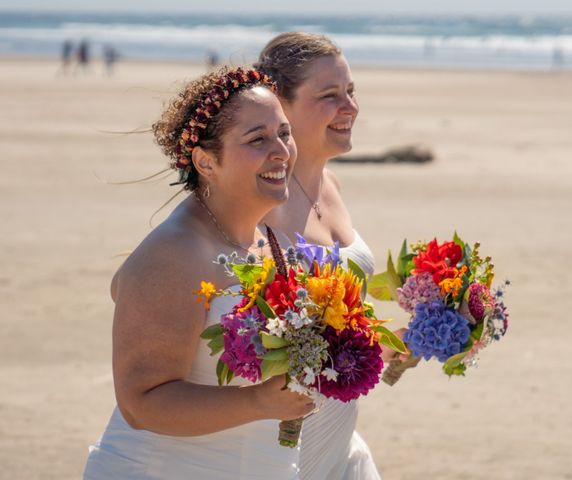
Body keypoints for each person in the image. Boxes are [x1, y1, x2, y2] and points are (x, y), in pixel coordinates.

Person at [83, 67, 314, 479]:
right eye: (257, 139)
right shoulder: (174, 253)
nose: (281, 150)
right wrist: (258, 403)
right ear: (206, 162)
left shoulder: (269, 240)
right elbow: (141, 403)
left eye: (284, 132)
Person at [257, 32, 408, 480]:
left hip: (339, 440)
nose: (350, 107)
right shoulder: (256, 201)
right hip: (276, 444)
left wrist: (385, 348)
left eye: (351, 91)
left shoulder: (333, 186)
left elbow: (333, 322)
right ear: (279, 104)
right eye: (329, 95)